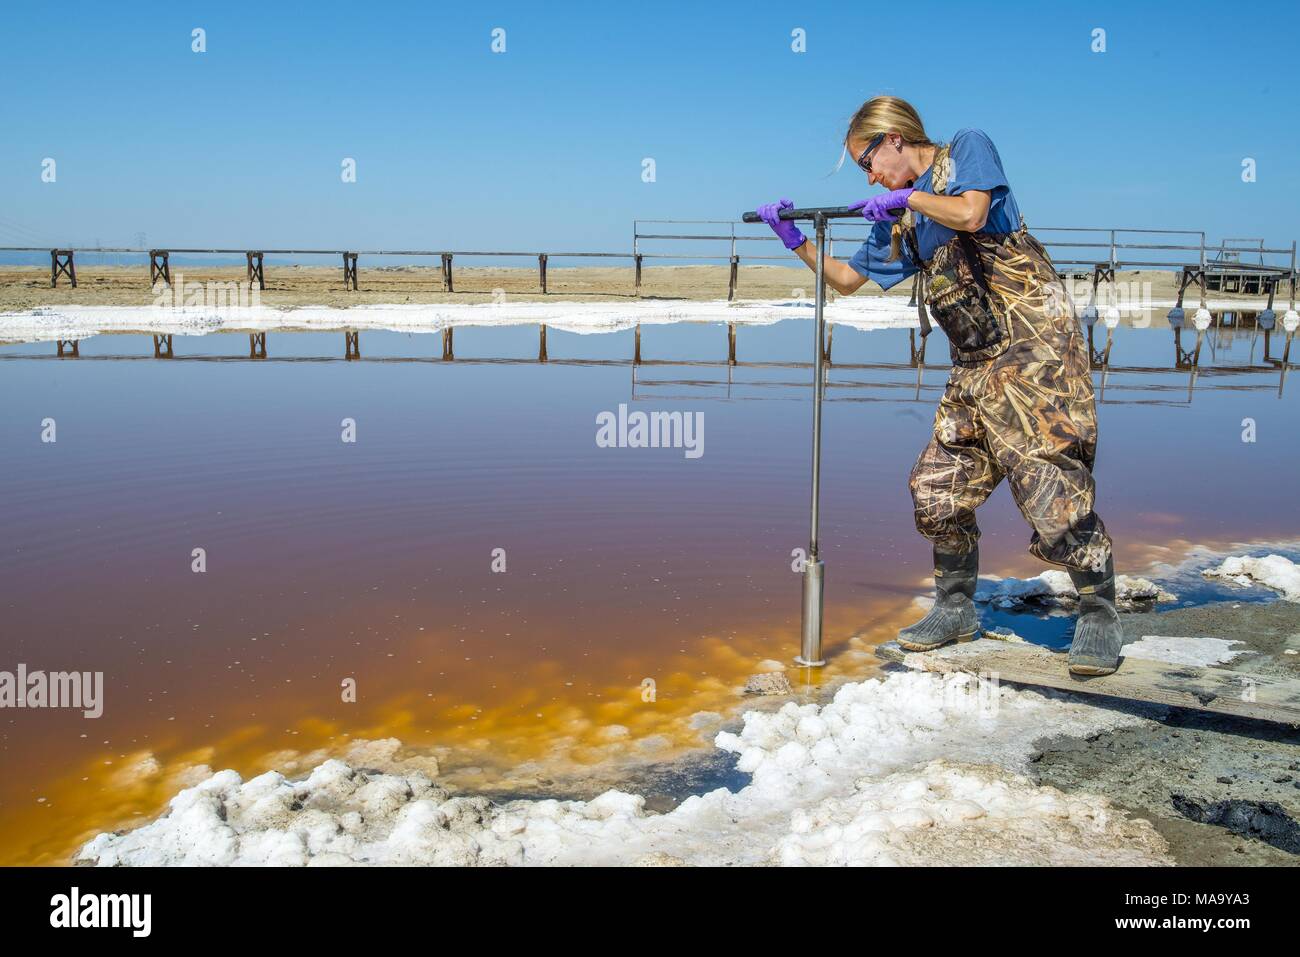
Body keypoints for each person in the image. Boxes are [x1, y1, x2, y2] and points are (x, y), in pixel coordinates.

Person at [756, 95, 1122, 676]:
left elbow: (973, 213)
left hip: (1033, 351)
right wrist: (793, 238)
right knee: (936, 486)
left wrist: (908, 197)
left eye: (869, 161)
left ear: (896, 138)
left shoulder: (964, 152)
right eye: (863, 171)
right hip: (974, 362)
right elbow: (847, 279)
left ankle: (1099, 610)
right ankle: (955, 606)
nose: (871, 175)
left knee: (1050, 485)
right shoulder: (902, 215)